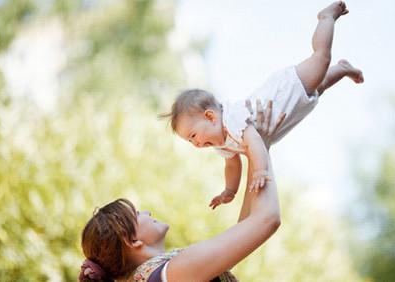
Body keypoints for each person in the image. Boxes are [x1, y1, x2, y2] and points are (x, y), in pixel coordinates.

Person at [161, 1, 364, 209]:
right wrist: (229, 191)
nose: (194, 144)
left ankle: (326, 18)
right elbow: (232, 165)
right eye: (189, 141)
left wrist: (260, 170)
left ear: (211, 116)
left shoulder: (232, 119)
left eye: (193, 135)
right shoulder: (221, 144)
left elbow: (254, 142)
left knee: (321, 59)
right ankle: (343, 68)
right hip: (292, 107)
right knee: (318, 86)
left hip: (286, 90)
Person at [78, 104, 281, 281]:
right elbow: (267, 219)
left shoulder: (157, 275)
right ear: (132, 240)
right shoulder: (174, 272)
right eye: (137, 214)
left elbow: (247, 227)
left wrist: (258, 152)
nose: (147, 212)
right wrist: (258, 142)